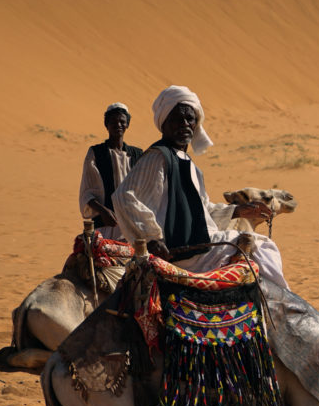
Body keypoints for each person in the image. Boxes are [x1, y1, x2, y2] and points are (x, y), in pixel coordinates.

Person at [112, 86, 290, 290]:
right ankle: (285, 306)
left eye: (190, 119)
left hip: (199, 246)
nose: (185, 124)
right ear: (164, 123)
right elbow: (123, 197)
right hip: (184, 254)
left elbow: (201, 212)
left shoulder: (191, 167)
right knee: (264, 247)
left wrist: (238, 211)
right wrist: (152, 239)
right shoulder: (157, 158)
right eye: (178, 119)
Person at [78, 103, 144, 241]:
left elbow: (145, 192)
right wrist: (103, 211)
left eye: (122, 121)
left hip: (133, 227)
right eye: (113, 122)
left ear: (127, 125)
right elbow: (87, 193)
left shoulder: (137, 155)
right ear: (106, 124)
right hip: (105, 227)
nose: (118, 125)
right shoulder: (96, 153)